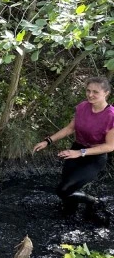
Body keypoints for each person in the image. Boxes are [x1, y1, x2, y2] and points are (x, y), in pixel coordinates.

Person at [32, 76, 114, 222]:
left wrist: (80, 153)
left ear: (106, 93)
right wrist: (47, 141)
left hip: (94, 157)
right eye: (88, 91)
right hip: (76, 150)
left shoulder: (111, 116)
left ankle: (94, 202)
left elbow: (110, 146)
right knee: (67, 193)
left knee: (63, 190)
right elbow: (70, 128)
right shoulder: (83, 107)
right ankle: (68, 217)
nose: (90, 95)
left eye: (95, 92)